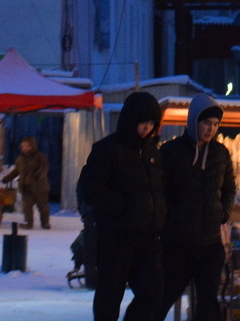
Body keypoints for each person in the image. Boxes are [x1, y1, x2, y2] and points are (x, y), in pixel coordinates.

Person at [78, 90, 168, 321]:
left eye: (151, 123)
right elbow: (90, 187)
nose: (146, 128)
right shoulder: (107, 149)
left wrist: (160, 214)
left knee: (153, 294)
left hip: (148, 239)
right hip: (116, 238)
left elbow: (157, 189)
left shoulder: (153, 153)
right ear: (131, 121)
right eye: (142, 123)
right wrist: (122, 208)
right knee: (109, 298)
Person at [161, 94, 237, 321]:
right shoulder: (171, 151)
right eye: (206, 123)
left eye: (215, 125)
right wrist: (173, 219)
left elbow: (230, 187)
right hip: (177, 244)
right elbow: (161, 190)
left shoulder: (221, 153)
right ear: (194, 121)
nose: (210, 129)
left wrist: (223, 213)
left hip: (210, 243)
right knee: (163, 297)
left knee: (208, 302)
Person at [10, 135, 52, 230]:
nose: (24, 148)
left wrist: (39, 175)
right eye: (23, 146)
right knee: (27, 207)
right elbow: (17, 171)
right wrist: (7, 178)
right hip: (26, 187)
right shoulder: (21, 159)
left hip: (39, 187)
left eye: (26, 146)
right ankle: (28, 223)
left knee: (43, 206)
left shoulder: (39, 156)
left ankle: (45, 223)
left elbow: (44, 167)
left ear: (32, 146)